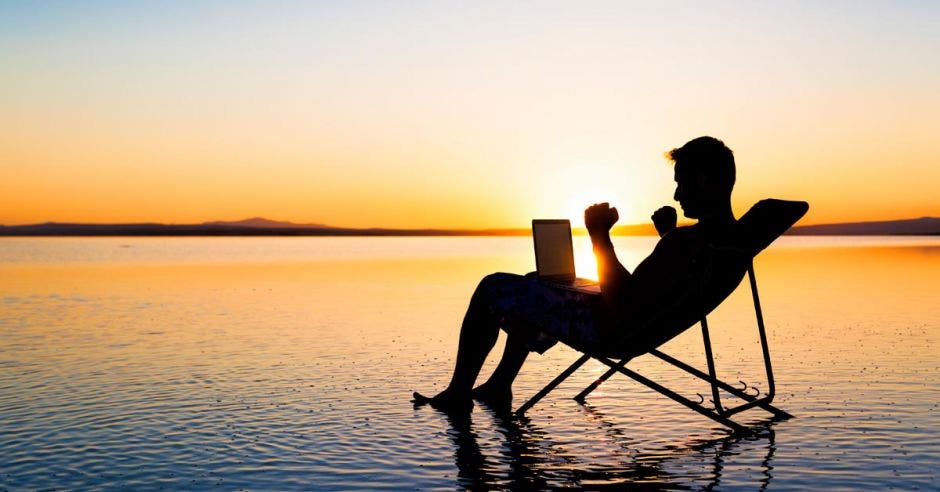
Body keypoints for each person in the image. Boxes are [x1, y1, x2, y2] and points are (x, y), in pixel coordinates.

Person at [413, 136, 738, 411]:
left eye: (682, 182)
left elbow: (624, 302)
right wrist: (668, 234)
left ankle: (458, 394)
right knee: (536, 281)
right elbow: (668, 281)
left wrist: (598, 235)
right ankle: (499, 385)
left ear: (704, 180)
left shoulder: (688, 243)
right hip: (634, 324)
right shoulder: (724, 241)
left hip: (611, 329)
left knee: (491, 287)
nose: (678, 194)